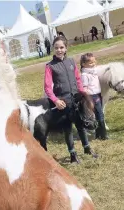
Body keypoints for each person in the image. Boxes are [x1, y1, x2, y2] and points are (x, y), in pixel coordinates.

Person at [44, 36, 98, 164]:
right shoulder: (50, 66)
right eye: (56, 48)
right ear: (53, 49)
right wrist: (56, 100)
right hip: (63, 103)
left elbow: (78, 79)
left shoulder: (71, 62)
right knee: (68, 129)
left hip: (76, 100)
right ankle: (73, 155)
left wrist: (82, 93)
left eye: (62, 47)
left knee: (81, 125)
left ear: (66, 48)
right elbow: (47, 87)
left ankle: (87, 148)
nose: (59, 50)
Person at [80, 53, 109, 140]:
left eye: (94, 61)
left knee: (97, 115)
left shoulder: (93, 71)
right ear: (84, 64)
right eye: (90, 63)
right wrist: (89, 99)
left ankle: (97, 134)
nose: (93, 64)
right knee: (100, 114)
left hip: (98, 94)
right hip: (92, 96)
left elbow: (99, 69)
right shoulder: (85, 75)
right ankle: (104, 135)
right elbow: (84, 88)